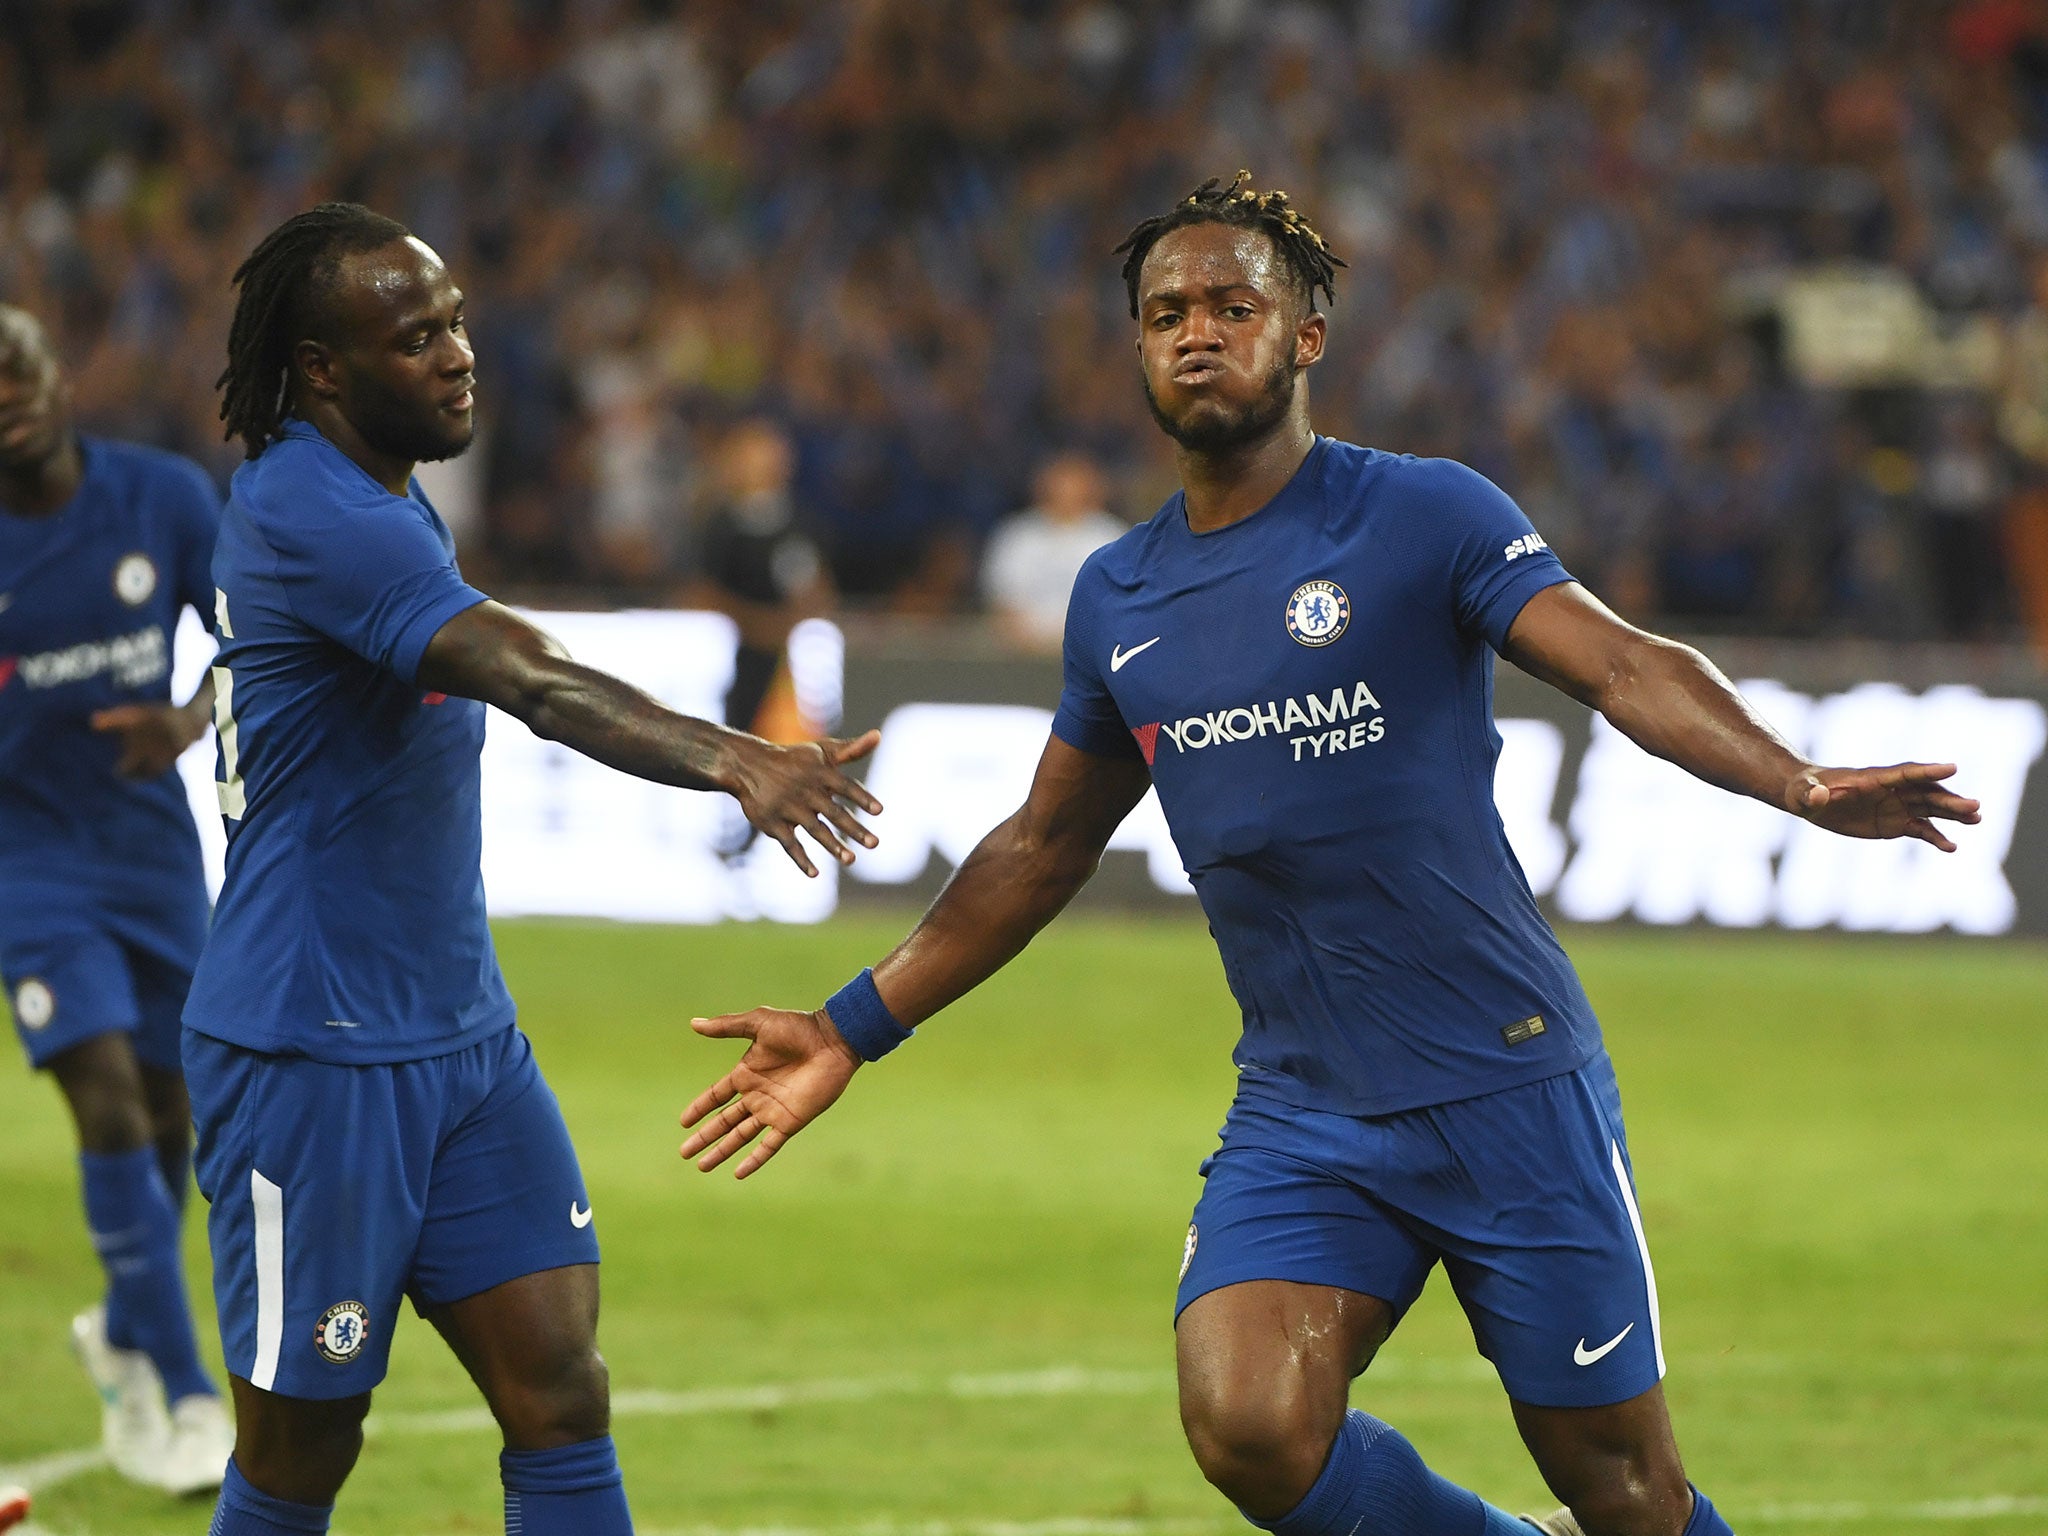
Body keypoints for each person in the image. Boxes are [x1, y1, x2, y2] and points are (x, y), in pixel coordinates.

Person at [677, 174, 1983, 1536]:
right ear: (1134, 348)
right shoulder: (1117, 595)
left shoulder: (1427, 516)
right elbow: (1042, 845)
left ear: (1304, 336)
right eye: (1167, 311)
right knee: (1247, 1422)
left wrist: (1797, 779)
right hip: (1307, 1107)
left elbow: (1621, 663)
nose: (1197, 332)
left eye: (1233, 305)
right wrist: (850, 1026)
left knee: (1627, 1496)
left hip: (1504, 1083)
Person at [192, 202, 882, 1536]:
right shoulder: (308, 506)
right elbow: (533, 681)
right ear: (323, 368)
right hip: (310, 1055)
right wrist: (736, 757)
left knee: (560, 1391)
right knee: (300, 1452)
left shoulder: (381, 500)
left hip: (462, 1042)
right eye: (416, 338)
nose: (458, 356)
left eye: (456, 325)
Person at [0, 304, 236, 1496]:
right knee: (103, 1103)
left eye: (22, 367)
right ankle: (188, 1396)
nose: (8, 392)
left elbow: (248, 634)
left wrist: (186, 723)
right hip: (28, 863)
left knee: (171, 1115)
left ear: (58, 376)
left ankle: (125, 1332)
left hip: (153, 853)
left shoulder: (164, 499)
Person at [981, 451, 1128, 652]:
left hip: (1092, 656)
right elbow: (1002, 602)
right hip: (1024, 654)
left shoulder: (1111, 536)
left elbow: (1121, 605)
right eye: (1060, 484)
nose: (1066, 492)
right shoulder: (1018, 535)